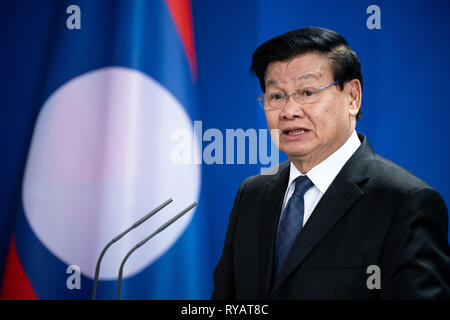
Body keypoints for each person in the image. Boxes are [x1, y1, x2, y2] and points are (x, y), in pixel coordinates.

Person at [212, 27, 450, 299]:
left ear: (352, 97)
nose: (289, 111)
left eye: (307, 92)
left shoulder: (403, 202)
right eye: (276, 96)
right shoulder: (251, 194)